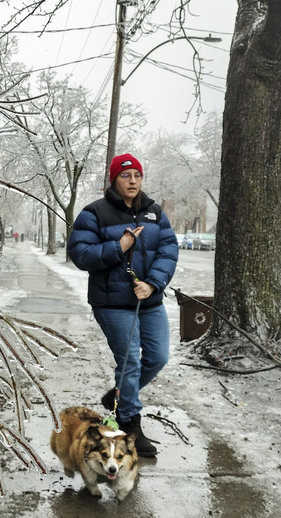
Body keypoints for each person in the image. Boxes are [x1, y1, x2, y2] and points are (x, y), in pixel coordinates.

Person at [67, 153, 178, 457]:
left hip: (149, 300)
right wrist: (120, 247)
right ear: (114, 180)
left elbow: (168, 249)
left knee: (158, 357)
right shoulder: (95, 213)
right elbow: (80, 254)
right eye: (126, 176)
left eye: (137, 176)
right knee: (130, 362)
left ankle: (117, 397)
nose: (132, 181)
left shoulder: (154, 212)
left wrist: (153, 282)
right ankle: (130, 424)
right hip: (112, 303)